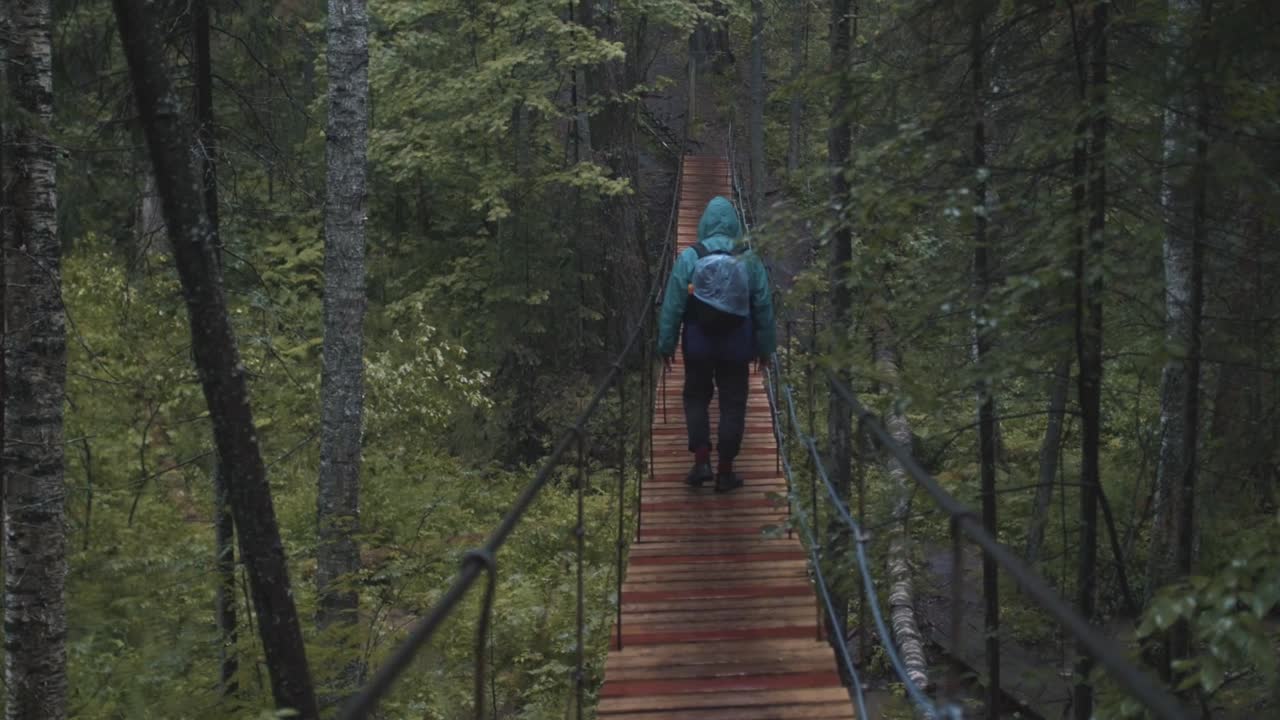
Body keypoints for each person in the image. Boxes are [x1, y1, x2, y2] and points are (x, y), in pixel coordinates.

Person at [657, 195, 776, 493]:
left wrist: (666, 345)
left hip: (698, 342)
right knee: (733, 403)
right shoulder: (749, 259)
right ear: (735, 225)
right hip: (737, 344)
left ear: (704, 223)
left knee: (696, 397)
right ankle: (725, 471)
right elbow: (763, 305)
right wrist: (765, 348)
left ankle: (701, 462)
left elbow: (673, 305)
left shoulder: (690, 257)